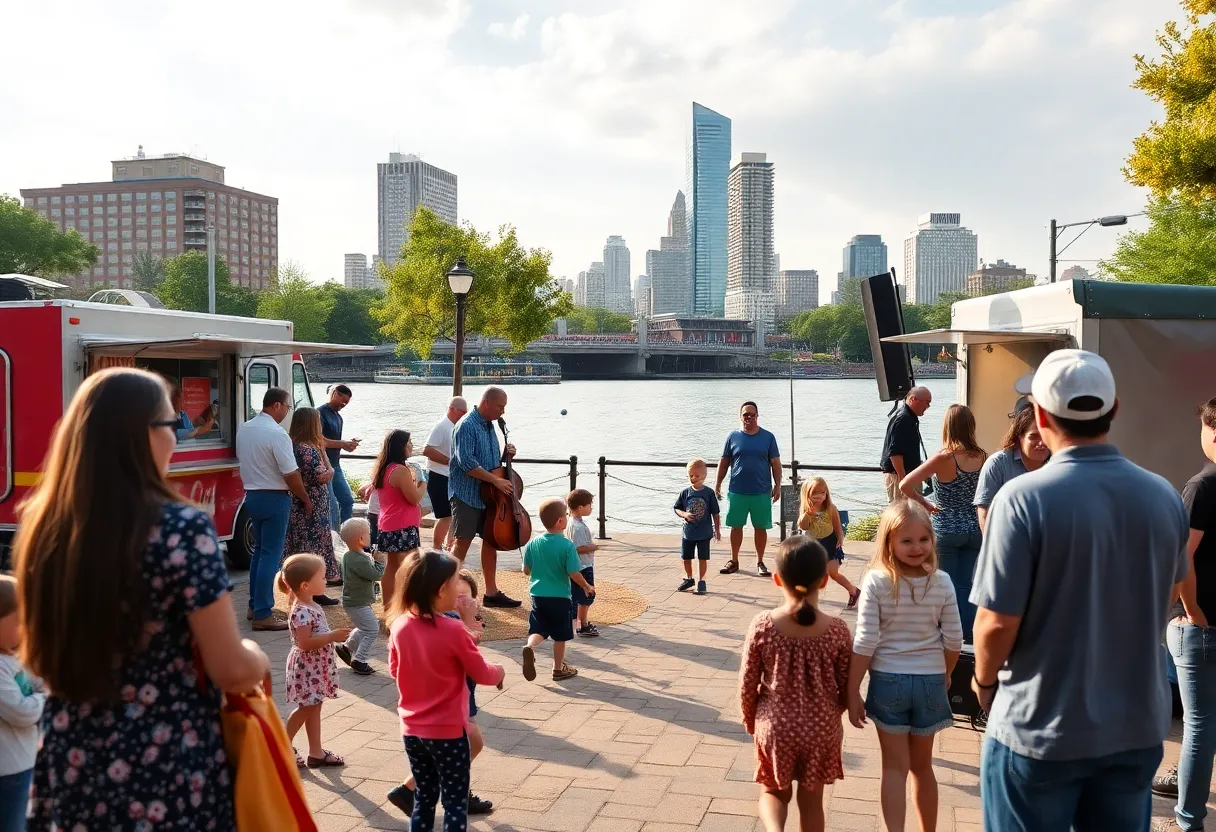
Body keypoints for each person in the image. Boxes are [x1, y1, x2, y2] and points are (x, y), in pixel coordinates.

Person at [13, 367, 270, 828]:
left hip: (71, 754)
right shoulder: (181, 528)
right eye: (172, 425)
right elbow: (230, 668)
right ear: (141, 434)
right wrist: (257, 656)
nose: (176, 439)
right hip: (163, 759)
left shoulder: (44, 525)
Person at [970, 349, 1187, 831]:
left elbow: (997, 622)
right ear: (1114, 409)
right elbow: (1171, 590)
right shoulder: (1163, 496)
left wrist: (983, 683)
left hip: (1038, 727)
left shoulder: (1021, 500)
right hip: (1134, 728)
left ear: (1041, 415)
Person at [848, 501, 963, 832]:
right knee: (923, 768)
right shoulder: (942, 582)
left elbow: (866, 640)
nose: (917, 547)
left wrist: (852, 690)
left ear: (932, 540)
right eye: (908, 540)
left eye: (923, 539)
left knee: (893, 769)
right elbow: (954, 639)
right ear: (889, 542)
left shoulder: (876, 581)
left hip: (888, 681)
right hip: (930, 681)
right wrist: (946, 673)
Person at [739, 536, 852, 832]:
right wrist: (833, 713)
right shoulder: (838, 630)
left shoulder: (763, 625)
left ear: (777, 579)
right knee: (812, 802)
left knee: (773, 792)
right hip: (821, 728)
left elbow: (748, 682)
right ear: (824, 581)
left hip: (776, 726)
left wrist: (751, 719)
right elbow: (847, 685)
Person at [388, 550, 506, 832]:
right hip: (448, 731)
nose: (459, 590)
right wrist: (500, 671)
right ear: (441, 590)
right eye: (455, 584)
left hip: (412, 730)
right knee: (454, 802)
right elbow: (482, 673)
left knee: (424, 798)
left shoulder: (399, 625)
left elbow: (394, 670)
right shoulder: (453, 630)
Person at [1154, 396, 1216, 831]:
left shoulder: (1203, 485)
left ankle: (1188, 820)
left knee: (1199, 725)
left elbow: (1181, 556)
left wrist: (1192, 611)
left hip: (1201, 624)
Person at [898, 404, 986, 642]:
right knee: (966, 585)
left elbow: (905, 485)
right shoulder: (982, 456)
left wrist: (925, 504)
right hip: (974, 529)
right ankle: (968, 635)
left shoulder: (944, 458)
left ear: (947, 426)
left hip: (946, 529)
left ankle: (946, 635)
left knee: (944, 585)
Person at [237, 387, 311, 631]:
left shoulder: (245, 428)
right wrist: (305, 497)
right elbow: (290, 473)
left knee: (259, 552)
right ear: (277, 405)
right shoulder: (277, 434)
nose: (288, 412)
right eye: (288, 407)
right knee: (270, 555)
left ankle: (254, 605)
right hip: (275, 496)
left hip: (252, 495)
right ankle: (263, 612)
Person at [449, 387, 522, 608]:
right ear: (488, 402)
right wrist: (496, 481)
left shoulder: (490, 425)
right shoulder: (466, 425)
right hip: (467, 495)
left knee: (491, 541)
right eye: (500, 406)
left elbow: (490, 462)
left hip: (489, 497)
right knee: (462, 543)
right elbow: (467, 463)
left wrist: (506, 455)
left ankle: (491, 593)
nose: (503, 411)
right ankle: (445, 593)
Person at [521, 498, 596, 682]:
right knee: (560, 635)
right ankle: (558, 668)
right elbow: (574, 573)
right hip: (560, 597)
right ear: (560, 521)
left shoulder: (533, 543)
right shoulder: (567, 545)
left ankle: (529, 647)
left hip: (538, 595)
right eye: (566, 515)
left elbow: (526, 570)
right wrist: (586, 586)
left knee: (539, 628)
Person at [716, 401, 782, 577]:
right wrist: (717, 483)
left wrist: (778, 485)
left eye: (752, 414)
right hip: (737, 490)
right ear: (740, 416)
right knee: (735, 526)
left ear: (757, 416)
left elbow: (776, 463)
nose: (749, 418)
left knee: (760, 527)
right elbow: (724, 462)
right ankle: (734, 560)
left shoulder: (768, 437)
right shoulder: (732, 437)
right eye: (746, 414)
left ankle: (760, 562)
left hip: (761, 491)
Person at [0, 575, 44, 831]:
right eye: (18, 622)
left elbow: (38, 679)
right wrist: (44, 697)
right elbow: (22, 712)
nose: (25, 628)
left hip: (21, 765)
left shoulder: (12, 657)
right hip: (8, 771)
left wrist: (41, 690)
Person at [285, 406, 340, 604]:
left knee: (303, 544)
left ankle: (305, 589)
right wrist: (329, 465)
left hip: (302, 502)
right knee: (313, 545)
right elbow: (323, 476)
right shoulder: (307, 450)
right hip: (313, 504)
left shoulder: (294, 446)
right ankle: (314, 592)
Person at [372, 430, 425, 614]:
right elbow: (414, 497)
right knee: (411, 567)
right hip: (403, 525)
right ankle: (409, 607)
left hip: (388, 523)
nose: (411, 445)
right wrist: (423, 483)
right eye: (409, 442)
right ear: (400, 446)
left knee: (392, 566)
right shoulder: (400, 470)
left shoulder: (384, 469)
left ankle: (389, 609)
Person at [973, 403, 1049, 533]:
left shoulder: (1060, 464)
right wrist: (993, 543)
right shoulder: (997, 464)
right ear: (1020, 437)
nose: (1041, 443)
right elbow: (984, 511)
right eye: (1034, 437)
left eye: (1045, 435)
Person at [797, 477, 860, 609]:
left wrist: (840, 538)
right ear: (808, 495)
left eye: (822, 492)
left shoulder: (831, 508)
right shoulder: (807, 510)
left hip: (830, 543)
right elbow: (803, 526)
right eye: (815, 493)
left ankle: (853, 590)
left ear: (826, 493)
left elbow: (837, 526)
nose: (819, 496)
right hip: (813, 545)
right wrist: (808, 514)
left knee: (833, 573)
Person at [336, 518, 384, 676]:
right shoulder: (359, 558)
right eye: (368, 534)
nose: (371, 536)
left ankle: (347, 648)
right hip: (358, 602)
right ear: (360, 539)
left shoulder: (350, 555)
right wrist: (380, 562)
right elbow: (376, 575)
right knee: (372, 630)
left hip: (354, 601)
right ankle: (360, 659)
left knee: (365, 627)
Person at [423, 396, 468, 550]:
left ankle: (449, 546)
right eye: (462, 411)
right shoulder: (442, 426)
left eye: (466, 412)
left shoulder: (455, 426)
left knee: (453, 515)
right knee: (445, 516)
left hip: (450, 477)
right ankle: (436, 548)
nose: (464, 415)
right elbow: (427, 450)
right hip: (438, 476)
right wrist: (449, 461)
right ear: (451, 409)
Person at [675, 457, 721, 595]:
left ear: (704, 476)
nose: (693, 478)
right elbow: (677, 508)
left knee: (703, 557)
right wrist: (684, 514)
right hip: (688, 533)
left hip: (704, 533)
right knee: (686, 557)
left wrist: (717, 530)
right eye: (690, 475)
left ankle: (701, 581)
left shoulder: (709, 493)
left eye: (697, 476)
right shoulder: (685, 493)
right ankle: (689, 578)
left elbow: (715, 513)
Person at [880, 386, 932, 503]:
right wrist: (903, 481)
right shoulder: (904, 419)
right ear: (913, 399)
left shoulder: (907, 417)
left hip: (906, 475)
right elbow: (895, 453)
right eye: (927, 402)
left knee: (910, 511)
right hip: (901, 476)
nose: (928, 406)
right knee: (903, 511)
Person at [319, 384, 359, 532]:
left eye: (346, 402)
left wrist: (348, 445)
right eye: (343, 400)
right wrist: (342, 444)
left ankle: (345, 534)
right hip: (323, 465)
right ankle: (332, 537)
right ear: (335, 393)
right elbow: (320, 441)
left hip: (336, 464)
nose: (344, 404)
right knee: (332, 506)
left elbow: (333, 443)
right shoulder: (319, 413)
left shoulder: (339, 418)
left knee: (347, 501)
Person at [566, 489, 600, 637]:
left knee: (576, 595)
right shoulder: (578, 527)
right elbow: (578, 548)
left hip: (577, 565)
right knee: (587, 594)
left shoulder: (571, 522)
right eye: (589, 505)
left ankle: (578, 621)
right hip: (583, 566)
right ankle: (583, 624)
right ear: (580, 507)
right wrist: (594, 547)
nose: (591, 508)